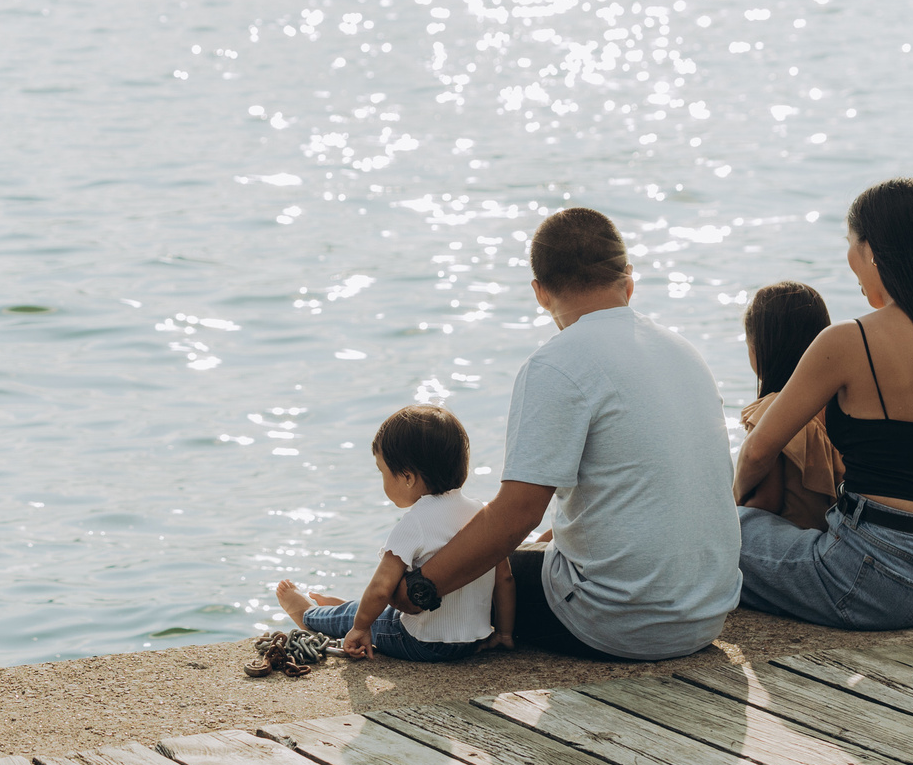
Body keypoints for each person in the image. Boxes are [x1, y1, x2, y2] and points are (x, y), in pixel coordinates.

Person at [401, 207, 740, 661]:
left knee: (460, 582)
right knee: (511, 555)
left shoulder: (555, 363)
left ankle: (345, 616)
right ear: (628, 280)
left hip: (619, 623)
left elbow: (517, 513)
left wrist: (421, 587)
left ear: (540, 293)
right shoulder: (684, 352)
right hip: (706, 614)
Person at [732, 177, 913, 628]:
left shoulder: (848, 340)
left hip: (872, 579)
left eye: (850, 244)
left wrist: (733, 508)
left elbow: (759, 450)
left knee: (709, 532)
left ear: (872, 250)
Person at [273, 404, 515, 662]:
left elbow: (380, 589)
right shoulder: (483, 514)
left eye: (383, 471)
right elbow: (505, 579)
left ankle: (307, 613)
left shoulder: (416, 522)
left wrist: (361, 629)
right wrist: (503, 633)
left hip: (422, 642)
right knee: (372, 609)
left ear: (407, 477)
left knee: (361, 616)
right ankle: (344, 607)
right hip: (471, 641)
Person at [737, 281, 844, 531]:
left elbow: (766, 502)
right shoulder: (839, 407)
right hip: (831, 539)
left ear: (760, 348)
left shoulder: (774, 412)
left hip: (789, 547)